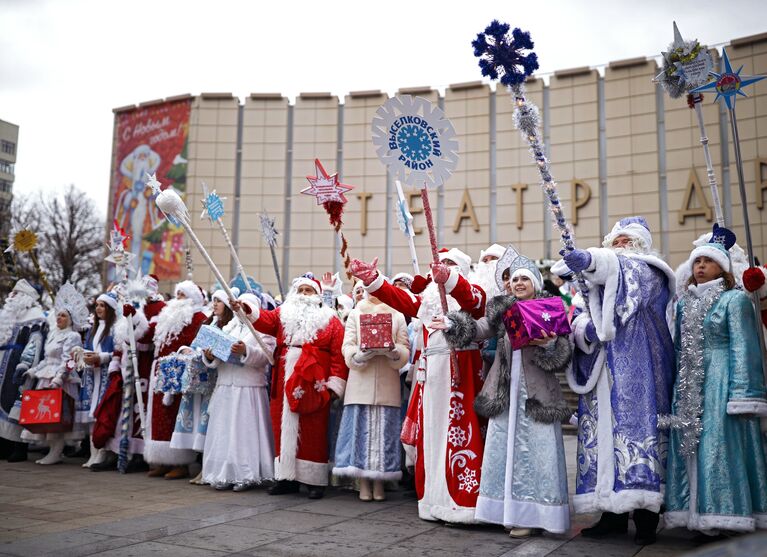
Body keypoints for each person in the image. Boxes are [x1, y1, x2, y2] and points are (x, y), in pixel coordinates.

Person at [553, 216, 675, 545]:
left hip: (640, 373)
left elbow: (626, 278)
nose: (621, 246)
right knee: (602, 441)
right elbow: (577, 316)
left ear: (641, 245)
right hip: (602, 374)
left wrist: (591, 259)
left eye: (627, 241)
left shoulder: (652, 271)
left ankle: (647, 516)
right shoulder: (593, 282)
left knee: (638, 438)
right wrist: (585, 331)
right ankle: (611, 513)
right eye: (616, 241)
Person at [436, 247, 571, 537]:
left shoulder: (550, 307)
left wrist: (548, 346)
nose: (519, 284)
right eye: (514, 280)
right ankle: (508, 512)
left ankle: (536, 515)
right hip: (504, 391)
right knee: (506, 451)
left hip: (538, 394)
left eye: (525, 279)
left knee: (536, 452)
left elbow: (563, 349)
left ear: (535, 282)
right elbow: (481, 328)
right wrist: (450, 323)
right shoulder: (503, 308)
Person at [350, 248, 487, 524]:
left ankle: (462, 505)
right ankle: (434, 501)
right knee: (432, 437)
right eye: (440, 264)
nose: (442, 268)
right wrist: (374, 280)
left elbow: (472, 301)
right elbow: (399, 298)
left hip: (460, 373)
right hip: (431, 375)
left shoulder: (474, 292)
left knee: (458, 436)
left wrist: (449, 278)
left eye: (450, 264)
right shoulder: (426, 300)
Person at [663, 232, 767, 534]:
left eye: (708, 261)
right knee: (690, 448)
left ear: (722, 268)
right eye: (698, 261)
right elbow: (680, 346)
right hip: (690, 383)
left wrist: (743, 394)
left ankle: (723, 515)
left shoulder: (734, 300)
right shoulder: (685, 304)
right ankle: (694, 515)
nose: (701, 266)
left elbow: (744, 347)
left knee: (718, 446)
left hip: (720, 379)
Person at [235, 274, 348, 499]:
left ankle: (314, 480)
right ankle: (286, 478)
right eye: (301, 290)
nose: (304, 294)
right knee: (281, 425)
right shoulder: (282, 313)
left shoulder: (331, 319)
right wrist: (245, 308)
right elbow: (264, 320)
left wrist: (334, 385)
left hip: (314, 379)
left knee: (314, 429)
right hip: (284, 375)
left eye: (309, 291)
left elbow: (338, 354)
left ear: (317, 295)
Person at [334, 290, 410, 501]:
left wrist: (394, 352)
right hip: (361, 381)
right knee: (361, 432)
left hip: (387, 381)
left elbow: (405, 346)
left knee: (383, 434)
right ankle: (363, 482)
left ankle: (380, 482)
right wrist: (359, 355)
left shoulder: (397, 315)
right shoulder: (356, 313)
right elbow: (347, 345)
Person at [201, 291, 276, 491]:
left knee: (245, 433)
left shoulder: (262, 331)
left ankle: (246, 474)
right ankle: (223, 474)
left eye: (243, 307)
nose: (239, 310)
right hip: (226, 386)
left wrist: (246, 352)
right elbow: (217, 357)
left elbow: (268, 357)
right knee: (224, 433)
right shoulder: (228, 327)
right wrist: (209, 355)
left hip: (248, 389)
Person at [144, 280, 207, 480]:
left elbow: (198, 343)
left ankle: (180, 462)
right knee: (159, 416)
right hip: (161, 370)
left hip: (181, 371)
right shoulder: (166, 317)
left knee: (176, 417)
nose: (178, 300)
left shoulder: (198, 317)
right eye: (177, 295)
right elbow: (145, 334)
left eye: (183, 295)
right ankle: (163, 460)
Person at [20, 283, 89, 465]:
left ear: (71, 319)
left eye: (64, 315)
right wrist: (34, 371)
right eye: (58, 315)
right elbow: (46, 358)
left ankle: (56, 452)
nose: (59, 318)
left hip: (62, 380)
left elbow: (71, 359)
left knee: (58, 417)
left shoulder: (72, 336)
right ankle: (52, 450)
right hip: (46, 377)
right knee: (47, 417)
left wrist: (60, 378)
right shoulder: (53, 334)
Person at [0, 279, 46, 462]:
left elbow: (35, 344)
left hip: (17, 367)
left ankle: (18, 448)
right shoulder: (7, 316)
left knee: (17, 407)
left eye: (16, 293)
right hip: (3, 364)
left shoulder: (36, 317)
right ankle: (3, 446)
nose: (11, 296)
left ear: (25, 297)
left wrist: (26, 364)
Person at [77, 289, 119, 468]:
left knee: (102, 413)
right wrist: (82, 355)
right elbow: (87, 347)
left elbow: (116, 353)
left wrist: (100, 358)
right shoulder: (93, 328)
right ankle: (93, 453)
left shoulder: (115, 328)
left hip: (104, 376)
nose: (99, 309)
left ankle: (101, 452)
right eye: (97, 305)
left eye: (102, 305)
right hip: (91, 376)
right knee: (90, 415)